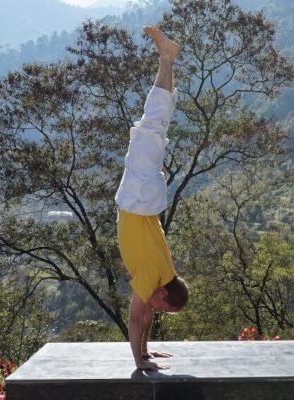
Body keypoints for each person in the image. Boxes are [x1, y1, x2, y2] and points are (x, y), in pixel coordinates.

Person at [115, 25, 189, 371]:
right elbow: (135, 318)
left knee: (155, 128)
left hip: (147, 200)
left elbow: (144, 315)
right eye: (164, 307)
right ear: (164, 294)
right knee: (151, 126)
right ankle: (166, 57)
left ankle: (168, 57)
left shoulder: (164, 274)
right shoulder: (151, 277)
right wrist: (138, 361)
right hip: (138, 199)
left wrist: (146, 352)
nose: (157, 310)